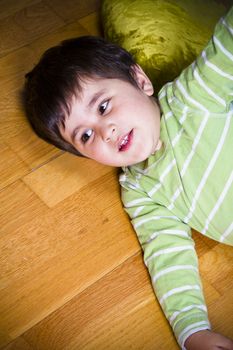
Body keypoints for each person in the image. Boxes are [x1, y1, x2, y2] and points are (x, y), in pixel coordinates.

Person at [23, 6, 233, 350]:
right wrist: (193, 330)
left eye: (103, 106)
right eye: (85, 136)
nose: (106, 131)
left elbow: (226, 46)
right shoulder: (139, 188)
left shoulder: (195, 97)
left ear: (140, 81)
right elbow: (167, 252)